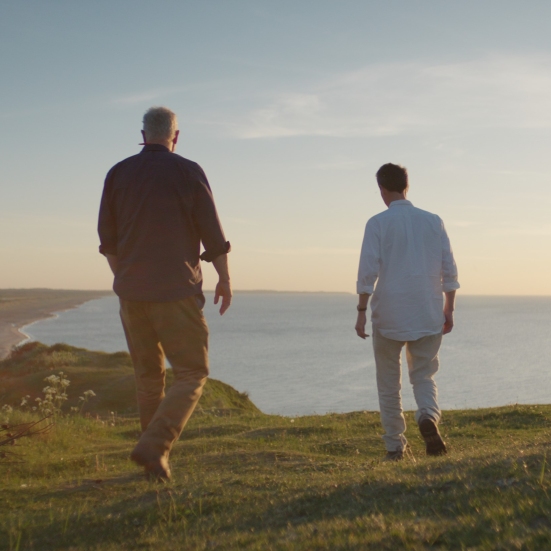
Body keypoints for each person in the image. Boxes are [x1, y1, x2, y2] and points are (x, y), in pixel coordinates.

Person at [98, 106, 232, 480]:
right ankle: (156, 445)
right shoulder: (188, 171)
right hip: (176, 291)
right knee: (192, 371)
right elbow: (212, 234)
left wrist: (126, 278)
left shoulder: (118, 173)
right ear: (176, 136)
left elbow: (107, 242)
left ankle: (154, 462)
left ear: (143, 134)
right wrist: (224, 278)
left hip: (131, 294)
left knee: (148, 377)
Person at [355, 163, 459, 461]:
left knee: (389, 383)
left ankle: (395, 446)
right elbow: (449, 270)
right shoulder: (433, 221)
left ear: (382, 189)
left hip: (389, 315)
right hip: (427, 313)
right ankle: (427, 416)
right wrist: (448, 309)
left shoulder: (377, 223)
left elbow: (367, 272)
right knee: (424, 376)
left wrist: (361, 311)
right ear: (407, 186)